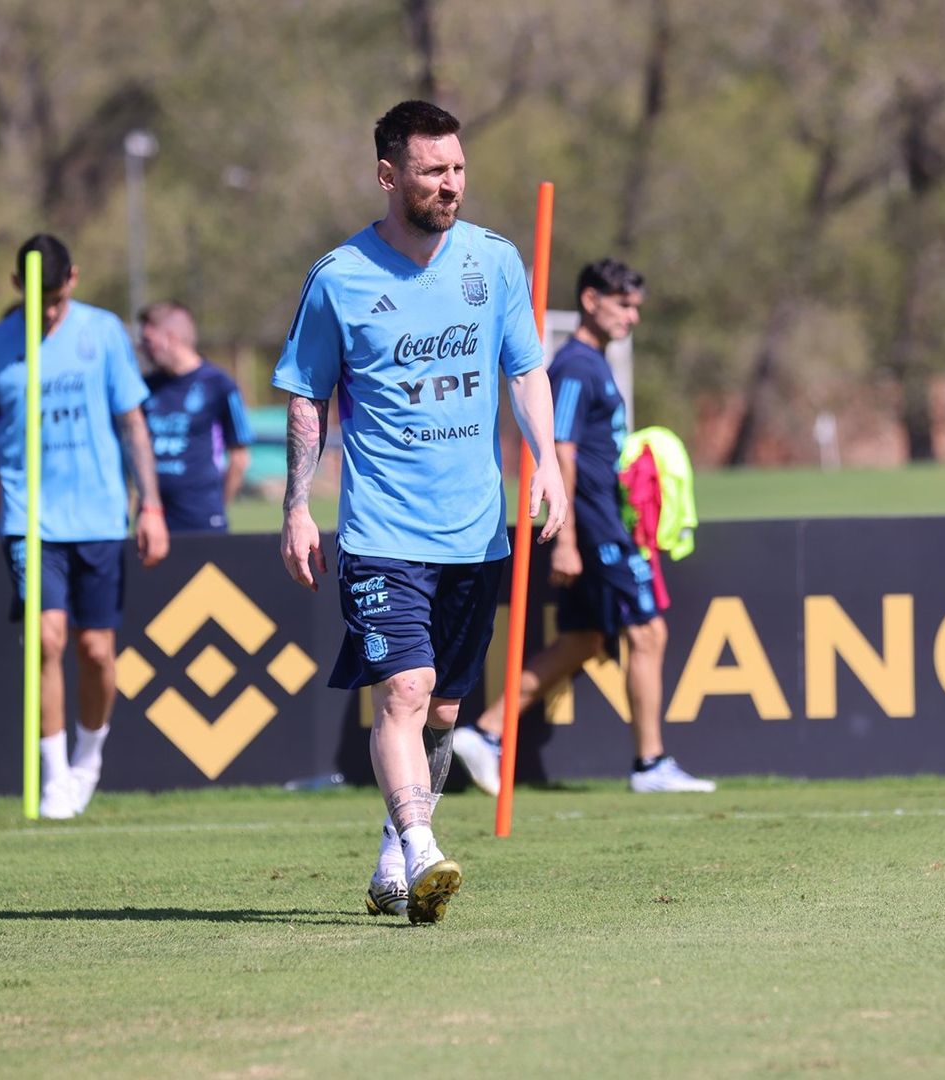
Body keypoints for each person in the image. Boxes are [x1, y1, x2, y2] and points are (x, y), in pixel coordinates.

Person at [275, 100, 566, 924]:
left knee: (442, 710)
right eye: (434, 170)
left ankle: (394, 855)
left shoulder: (495, 262)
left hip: (475, 531)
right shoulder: (340, 277)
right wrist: (297, 505)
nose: (451, 184)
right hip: (382, 532)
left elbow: (524, 370)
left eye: (459, 168)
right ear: (387, 175)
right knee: (405, 689)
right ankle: (424, 847)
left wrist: (547, 461)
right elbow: (307, 397)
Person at [452, 259, 713, 796]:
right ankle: (650, 764)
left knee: (582, 641)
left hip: (602, 523)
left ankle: (486, 733)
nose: (632, 316)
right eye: (623, 304)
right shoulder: (574, 366)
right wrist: (567, 536)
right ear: (590, 300)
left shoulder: (595, 363)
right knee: (648, 632)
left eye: (636, 306)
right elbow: (560, 448)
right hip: (594, 529)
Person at [0, 234, 168, 819]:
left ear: (72, 279)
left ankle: (86, 759)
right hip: (29, 519)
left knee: (96, 651)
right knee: (46, 640)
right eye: (34, 297)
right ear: (15, 286)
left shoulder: (103, 332)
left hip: (97, 515)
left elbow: (132, 423)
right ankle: (53, 777)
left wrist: (150, 505)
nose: (45, 311)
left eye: (55, 297)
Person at [137, 301, 253, 533]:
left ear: (171, 338)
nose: (142, 348)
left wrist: (217, 507)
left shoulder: (219, 384)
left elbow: (239, 458)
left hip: (201, 518)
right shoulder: (145, 387)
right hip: (153, 518)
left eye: (148, 341)